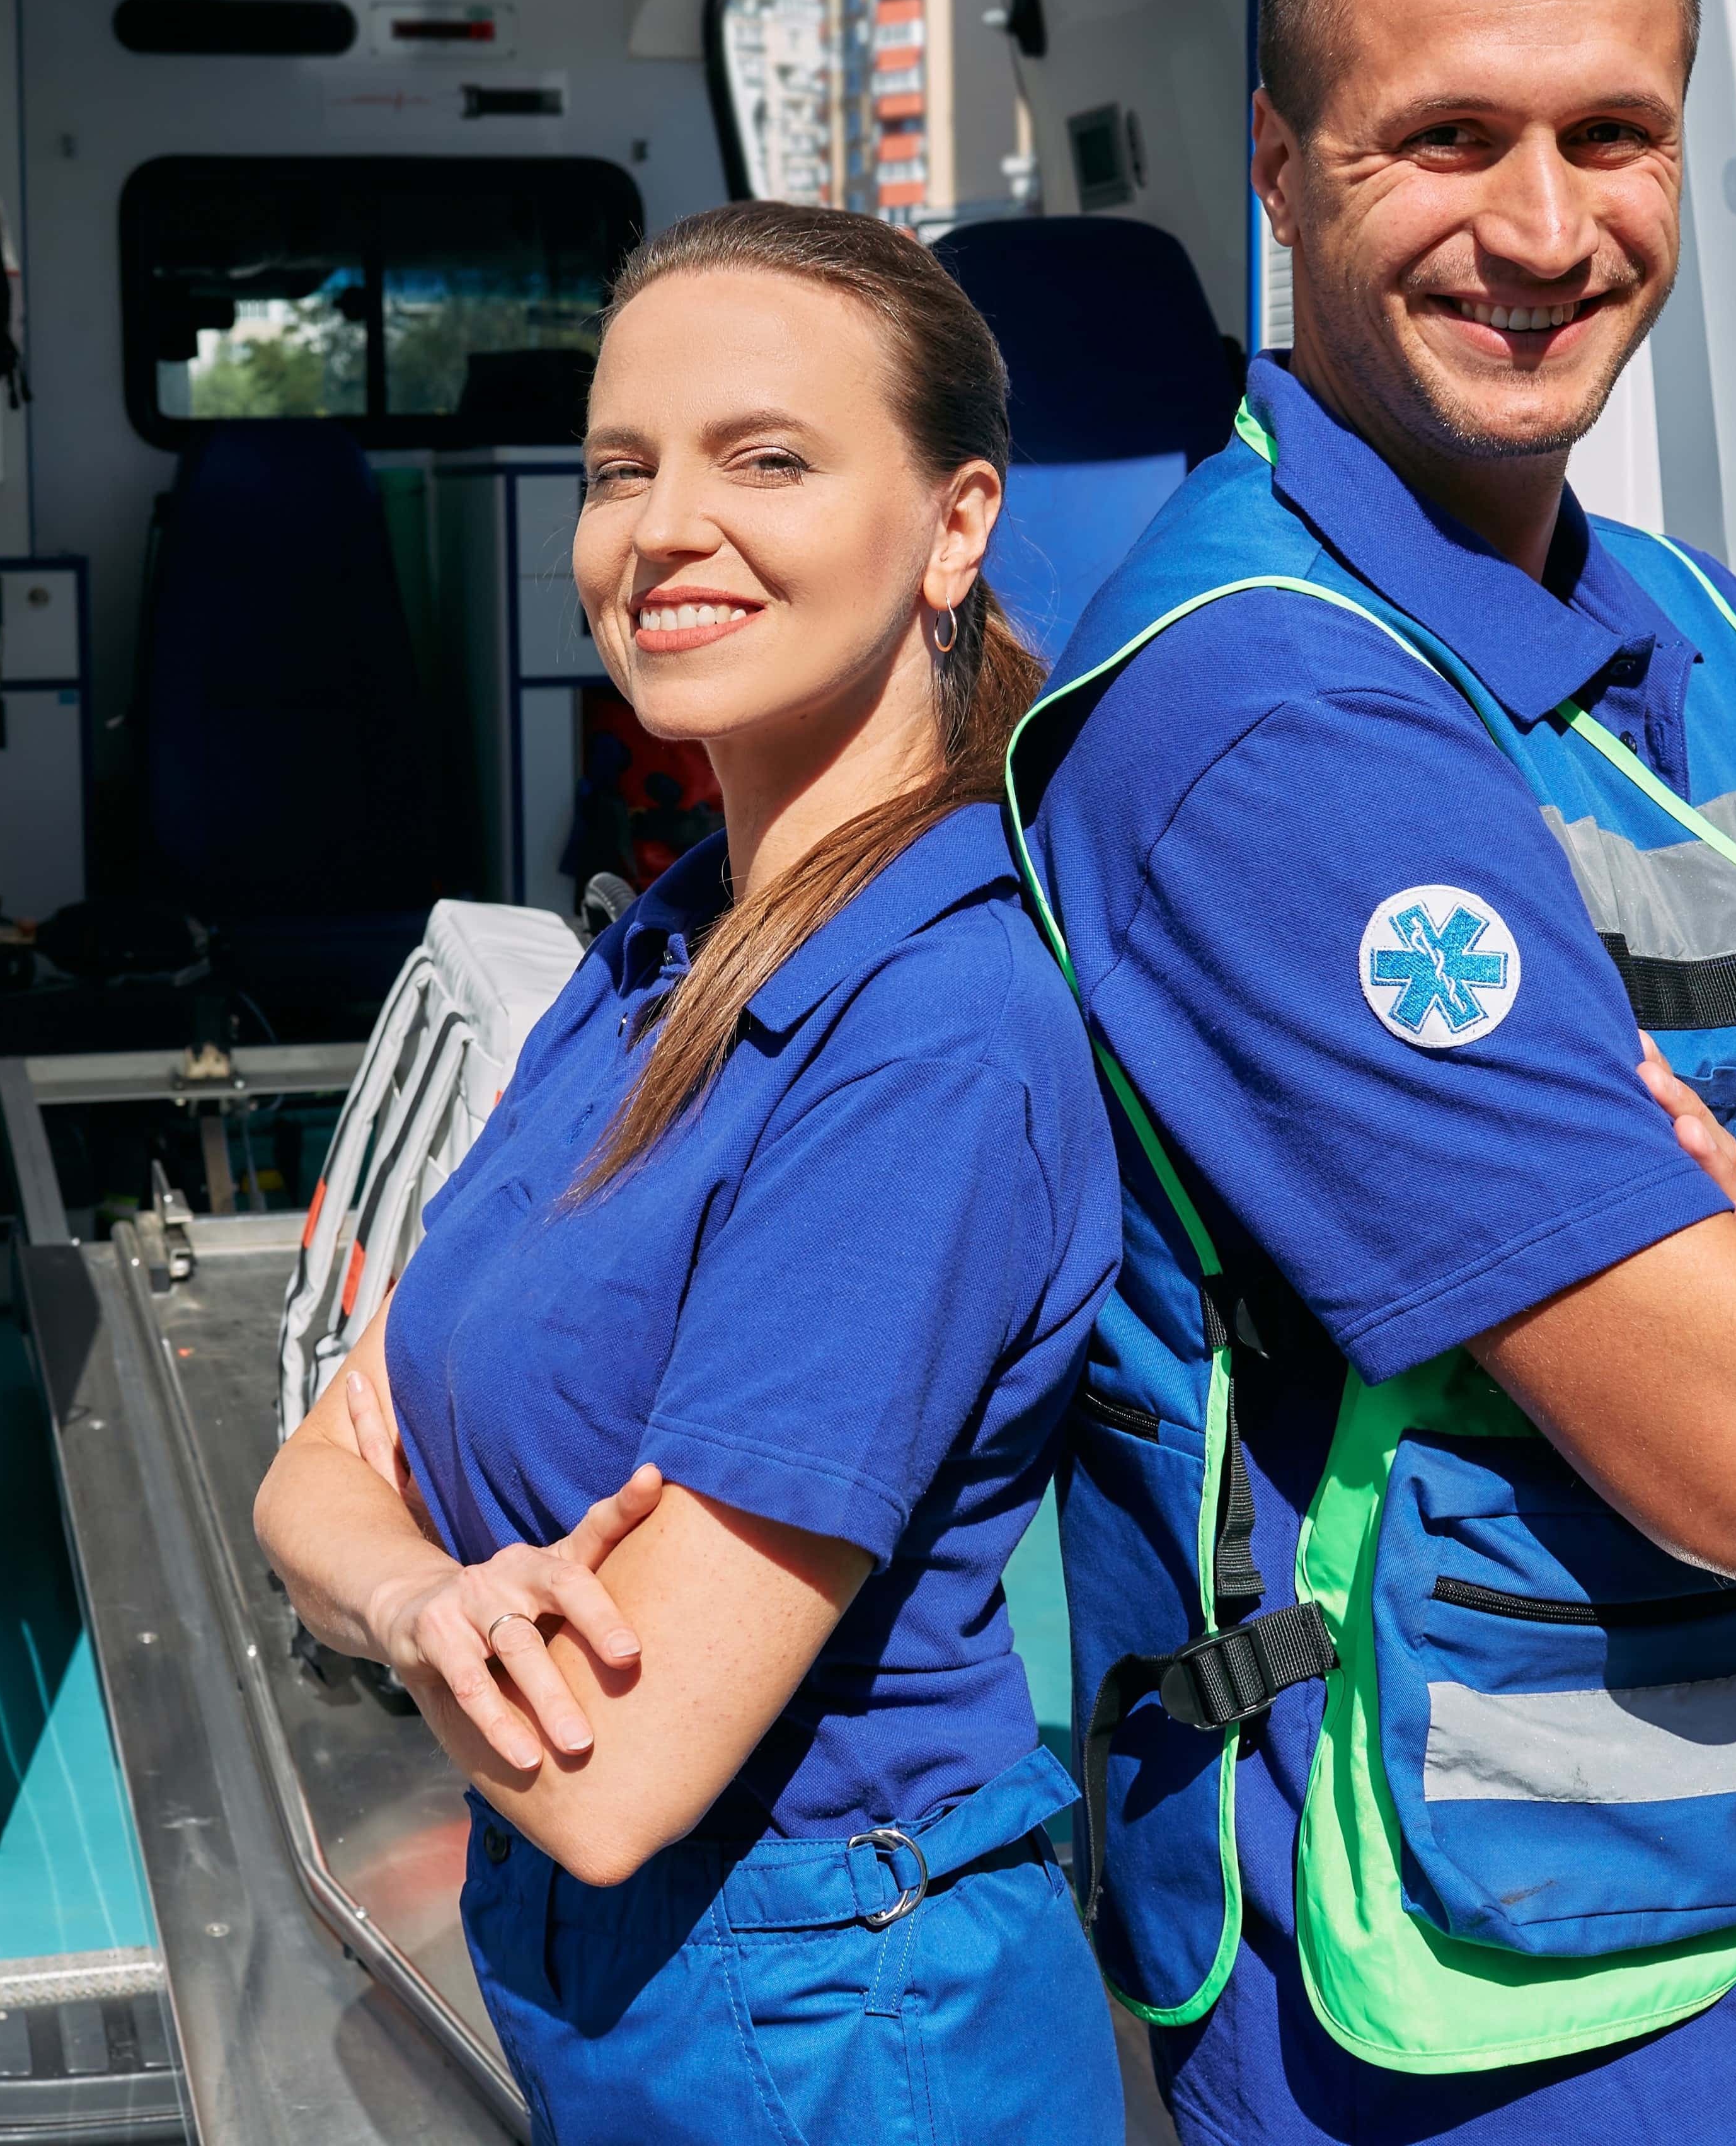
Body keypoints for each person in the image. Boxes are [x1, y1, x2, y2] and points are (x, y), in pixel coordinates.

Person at [1011, 0, 1736, 2146]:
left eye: (1615, 135)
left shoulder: (1696, 624)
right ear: (1280, 164)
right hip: (1471, 2033)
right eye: (1447, 138)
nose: (1544, 225)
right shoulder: (1266, 724)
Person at [253, 202, 1129, 2146]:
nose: (661, 531)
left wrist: (383, 1577)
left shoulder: (929, 1038)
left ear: (956, 526)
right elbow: (314, 1465)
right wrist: (426, 1605)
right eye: (618, 471)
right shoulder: (671, 939)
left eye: (767, 461)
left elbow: (610, 1771)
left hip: (838, 2037)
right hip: (632, 2003)